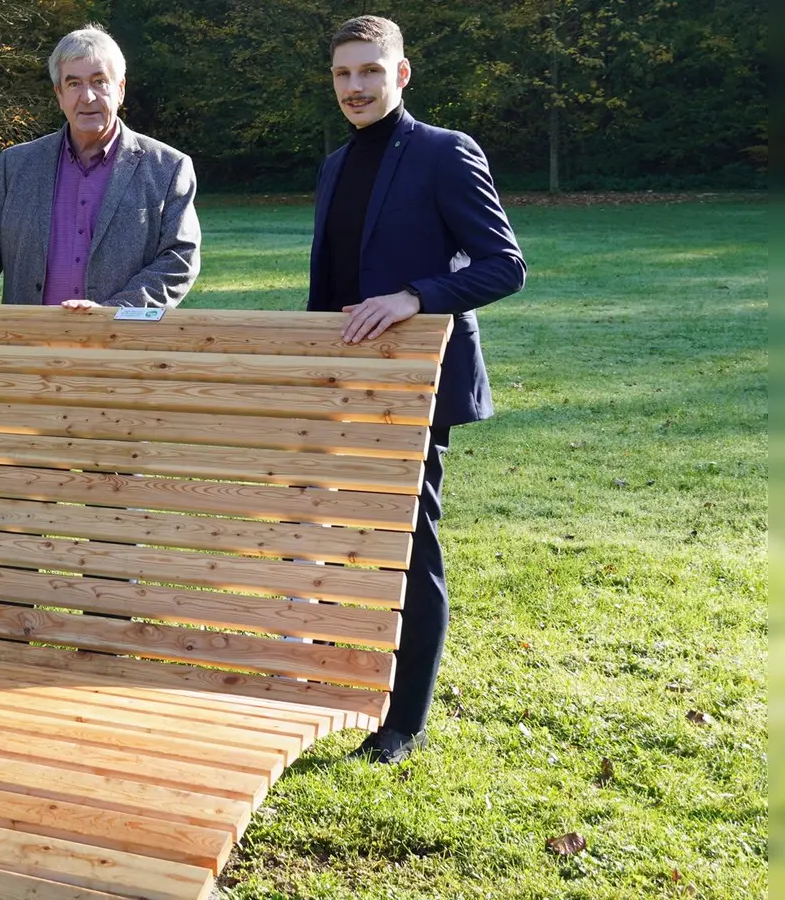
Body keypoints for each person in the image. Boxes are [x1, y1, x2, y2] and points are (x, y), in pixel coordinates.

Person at [309, 16, 526, 763]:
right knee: (342, 540)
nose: (356, 87)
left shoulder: (445, 153)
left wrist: (414, 297)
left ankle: (404, 720)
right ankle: (344, 687)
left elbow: (505, 266)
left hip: (419, 380)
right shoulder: (335, 165)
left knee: (410, 544)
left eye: (370, 71)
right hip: (345, 383)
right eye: (343, 75)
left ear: (401, 75)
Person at [0, 25, 200, 318]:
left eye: (99, 81)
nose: (87, 96)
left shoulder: (167, 167)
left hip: (122, 350)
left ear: (120, 90)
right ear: (59, 94)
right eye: (74, 84)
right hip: (29, 348)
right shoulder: (17, 165)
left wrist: (113, 312)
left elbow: (178, 260)